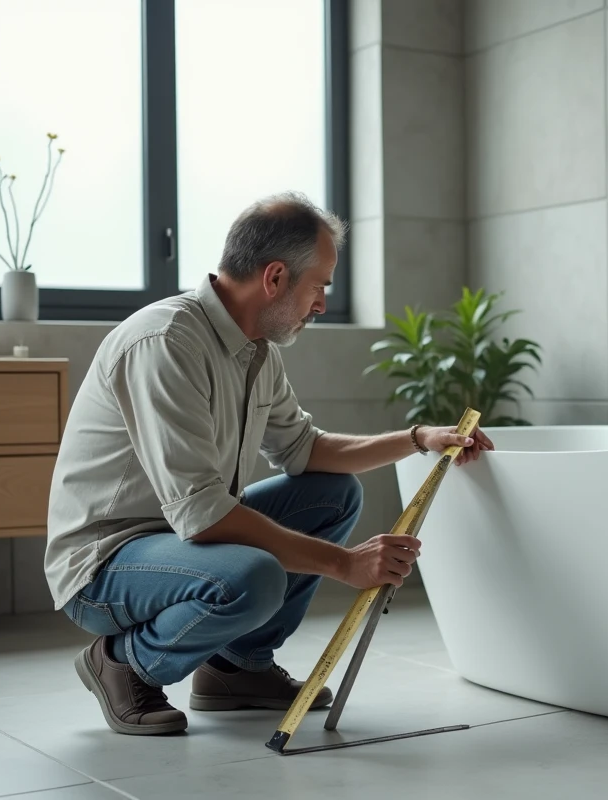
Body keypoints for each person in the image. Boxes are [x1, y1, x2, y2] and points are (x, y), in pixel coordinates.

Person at [43, 192, 493, 736]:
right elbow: (205, 515)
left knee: (333, 492)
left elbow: (307, 450)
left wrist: (418, 438)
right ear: (275, 278)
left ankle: (237, 668)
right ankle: (122, 663)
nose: (322, 303)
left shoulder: (256, 350)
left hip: (179, 540)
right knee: (251, 578)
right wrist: (344, 563)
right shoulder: (165, 343)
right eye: (319, 286)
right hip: (105, 563)